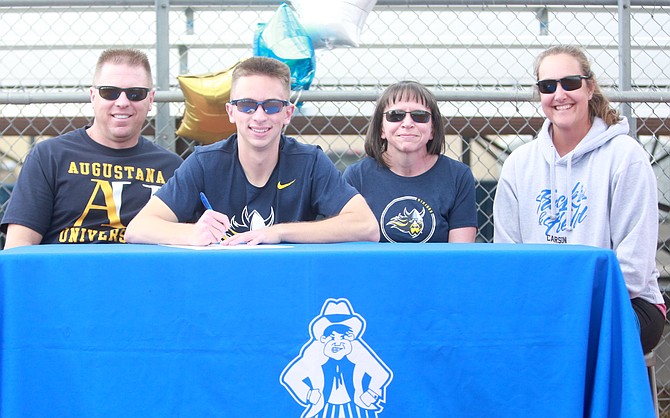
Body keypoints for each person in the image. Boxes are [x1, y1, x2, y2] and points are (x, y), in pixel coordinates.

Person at [493, 45, 665, 354]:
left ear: (590, 86)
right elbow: (508, 255)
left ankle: (591, 404)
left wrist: (567, 307)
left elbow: (634, 268)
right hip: (542, 303)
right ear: (540, 94)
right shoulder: (519, 164)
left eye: (570, 82)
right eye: (548, 86)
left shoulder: (626, 157)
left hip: (621, 301)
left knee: (571, 338)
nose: (559, 94)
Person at [125, 57, 378, 245]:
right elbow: (138, 228)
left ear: (287, 113)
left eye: (271, 106)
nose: (259, 116)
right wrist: (193, 233)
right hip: (220, 286)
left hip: (288, 286)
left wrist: (278, 232)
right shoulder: (205, 162)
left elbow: (366, 226)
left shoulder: (309, 162)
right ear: (231, 112)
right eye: (247, 105)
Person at [1, 48, 183, 249]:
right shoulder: (49, 157)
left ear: (150, 99)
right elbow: (19, 247)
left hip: (142, 278)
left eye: (135, 94)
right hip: (65, 278)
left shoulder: (173, 168)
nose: (122, 102)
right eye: (109, 92)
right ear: (93, 96)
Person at [343, 81, 477, 243]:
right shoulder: (357, 176)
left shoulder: (458, 176)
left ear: (432, 130)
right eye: (395, 116)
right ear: (381, 129)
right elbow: (349, 247)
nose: (407, 123)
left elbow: (459, 256)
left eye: (420, 116)